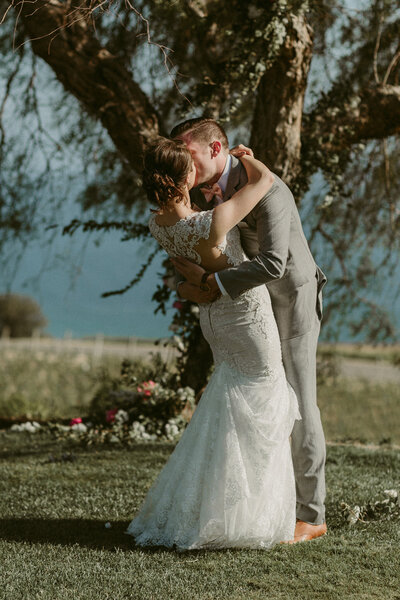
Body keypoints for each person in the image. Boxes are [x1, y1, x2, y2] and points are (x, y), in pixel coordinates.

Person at [125, 136, 300, 550]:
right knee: (262, 400)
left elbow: (191, 285)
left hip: (214, 320)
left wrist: (199, 287)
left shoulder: (159, 225)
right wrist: (247, 158)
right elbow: (265, 182)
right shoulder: (210, 222)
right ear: (182, 178)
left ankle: (212, 507)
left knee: (229, 405)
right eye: (190, 167)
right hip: (246, 318)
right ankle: (247, 516)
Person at [170, 118, 327, 543]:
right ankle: (259, 504)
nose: (184, 161)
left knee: (298, 399)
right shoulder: (199, 192)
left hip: (290, 300)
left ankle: (312, 516)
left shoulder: (268, 187)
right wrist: (196, 282)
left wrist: (210, 284)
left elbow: (275, 263)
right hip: (246, 308)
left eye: (190, 152)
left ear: (217, 149)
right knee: (252, 397)